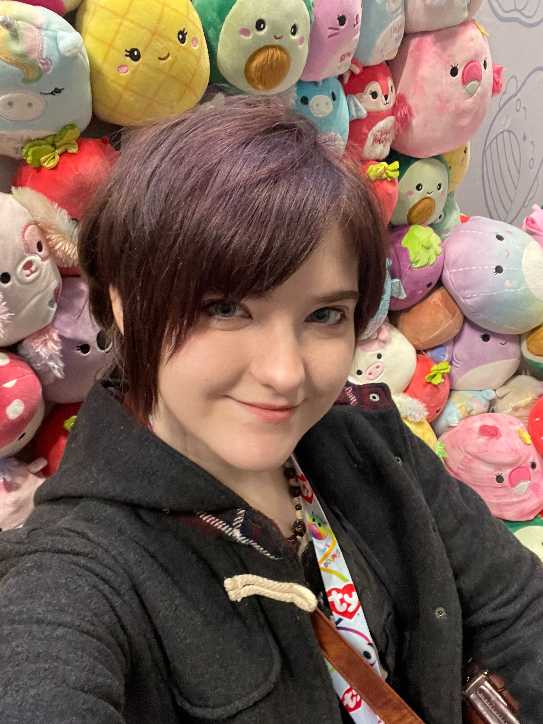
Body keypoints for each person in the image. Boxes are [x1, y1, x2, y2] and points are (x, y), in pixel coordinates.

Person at [0, 95, 541, 724]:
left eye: (324, 314)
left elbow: (516, 610)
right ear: (124, 304)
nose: (286, 373)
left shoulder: (368, 443)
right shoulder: (75, 573)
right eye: (226, 309)